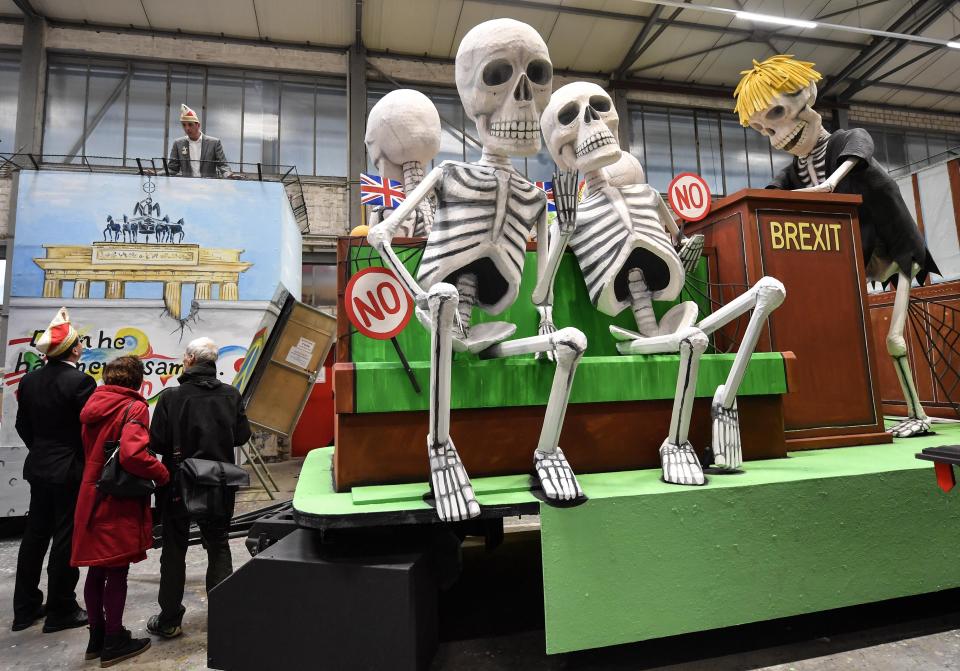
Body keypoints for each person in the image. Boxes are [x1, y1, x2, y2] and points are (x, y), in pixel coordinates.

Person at [147, 337, 251, 639]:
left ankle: (169, 620)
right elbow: (241, 436)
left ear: (190, 360)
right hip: (219, 481)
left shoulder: (171, 397)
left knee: (174, 549)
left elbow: (157, 442)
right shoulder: (231, 394)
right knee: (218, 544)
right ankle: (223, 616)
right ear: (212, 362)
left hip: (179, 483)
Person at [72, 356, 169, 666]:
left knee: (96, 568)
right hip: (117, 497)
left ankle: (96, 637)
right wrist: (162, 473)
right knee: (116, 569)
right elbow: (132, 455)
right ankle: (114, 639)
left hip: (90, 492)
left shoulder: (93, 404)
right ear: (137, 380)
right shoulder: (134, 406)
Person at [12, 307, 96, 633]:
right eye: (80, 343)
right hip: (68, 471)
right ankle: (61, 608)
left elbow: (23, 425)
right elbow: (88, 430)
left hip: (40, 468)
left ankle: (25, 609)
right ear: (73, 349)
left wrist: (43, 451)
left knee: (34, 537)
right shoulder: (80, 381)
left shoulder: (30, 380)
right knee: (65, 539)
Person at [167, 104, 233, 178]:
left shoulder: (214, 143)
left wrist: (229, 175)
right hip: (187, 186)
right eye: (184, 125)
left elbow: (223, 165)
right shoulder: (178, 144)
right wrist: (156, 173)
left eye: (190, 124)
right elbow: (172, 169)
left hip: (209, 186)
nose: (187, 128)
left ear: (198, 125)